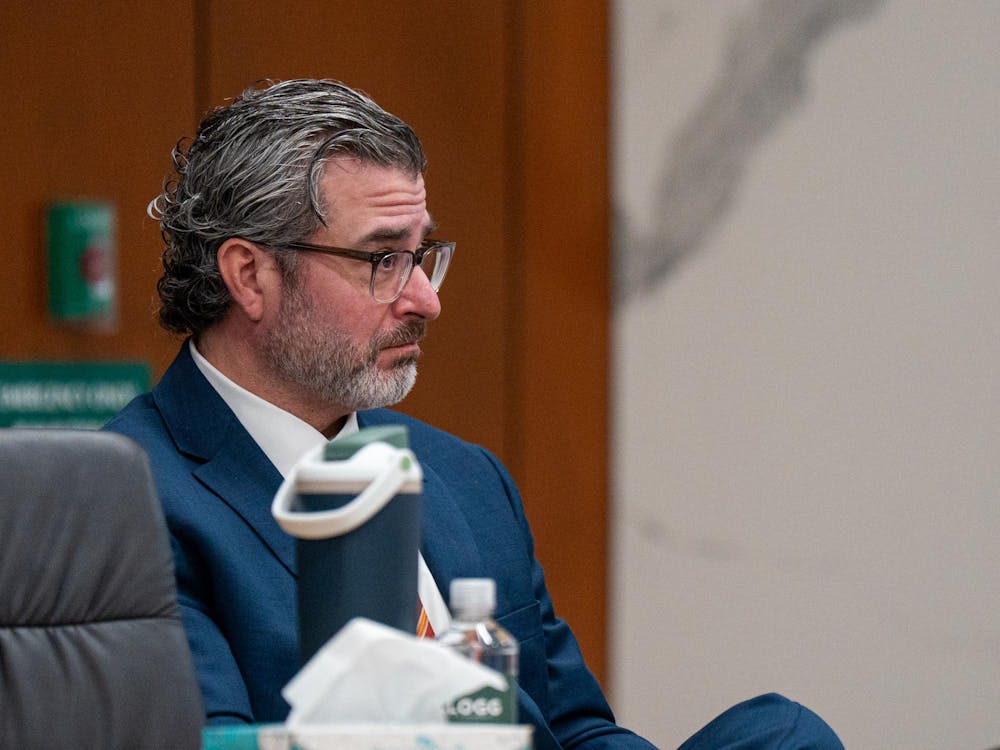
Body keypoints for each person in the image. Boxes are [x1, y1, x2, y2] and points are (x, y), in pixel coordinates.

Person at [105, 79, 843, 750]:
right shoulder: (125, 502)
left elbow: (576, 730)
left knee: (783, 735)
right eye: (382, 260)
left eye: (423, 255)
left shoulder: (464, 476)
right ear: (249, 275)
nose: (425, 298)